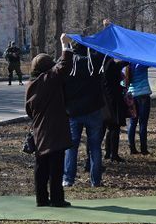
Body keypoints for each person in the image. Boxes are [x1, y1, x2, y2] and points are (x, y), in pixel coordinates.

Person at [25, 33, 74, 207]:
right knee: (56, 166)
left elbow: (29, 110)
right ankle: (57, 199)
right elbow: (64, 65)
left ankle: (41, 198)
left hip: (39, 130)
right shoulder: (48, 80)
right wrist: (64, 45)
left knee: (41, 167)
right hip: (54, 129)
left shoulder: (31, 84)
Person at [63, 42, 106, 187]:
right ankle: (96, 180)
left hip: (73, 111)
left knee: (71, 146)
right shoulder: (94, 62)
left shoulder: (68, 63)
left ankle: (68, 179)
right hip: (94, 110)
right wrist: (106, 30)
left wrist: (64, 46)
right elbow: (104, 52)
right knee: (95, 147)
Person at [102, 56, 130, 163]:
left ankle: (108, 153)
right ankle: (113, 154)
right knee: (114, 128)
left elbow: (122, 64)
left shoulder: (103, 66)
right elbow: (121, 64)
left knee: (110, 128)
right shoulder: (111, 66)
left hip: (106, 102)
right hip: (113, 101)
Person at [126, 63, 152, 155]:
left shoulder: (126, 67)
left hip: (131, 96)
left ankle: (132, 148)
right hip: (143, 95)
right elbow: (151, 60)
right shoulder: (141, 64)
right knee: (143, 123)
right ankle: (144, 149)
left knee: (132, 122)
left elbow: (123, 83)